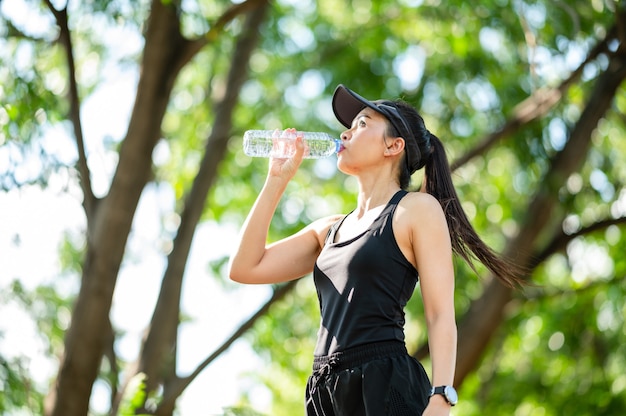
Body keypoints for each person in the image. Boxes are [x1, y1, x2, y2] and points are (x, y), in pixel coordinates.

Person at [229, 84, 524, 416]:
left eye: (363, 124)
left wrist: (441, 398)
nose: (346, 133)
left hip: (382, 383)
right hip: (325, 392)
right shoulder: (328, 229)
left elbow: (439, 314)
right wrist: (276, 180)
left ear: (393, 146)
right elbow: (244, 268)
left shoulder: (416, 210)